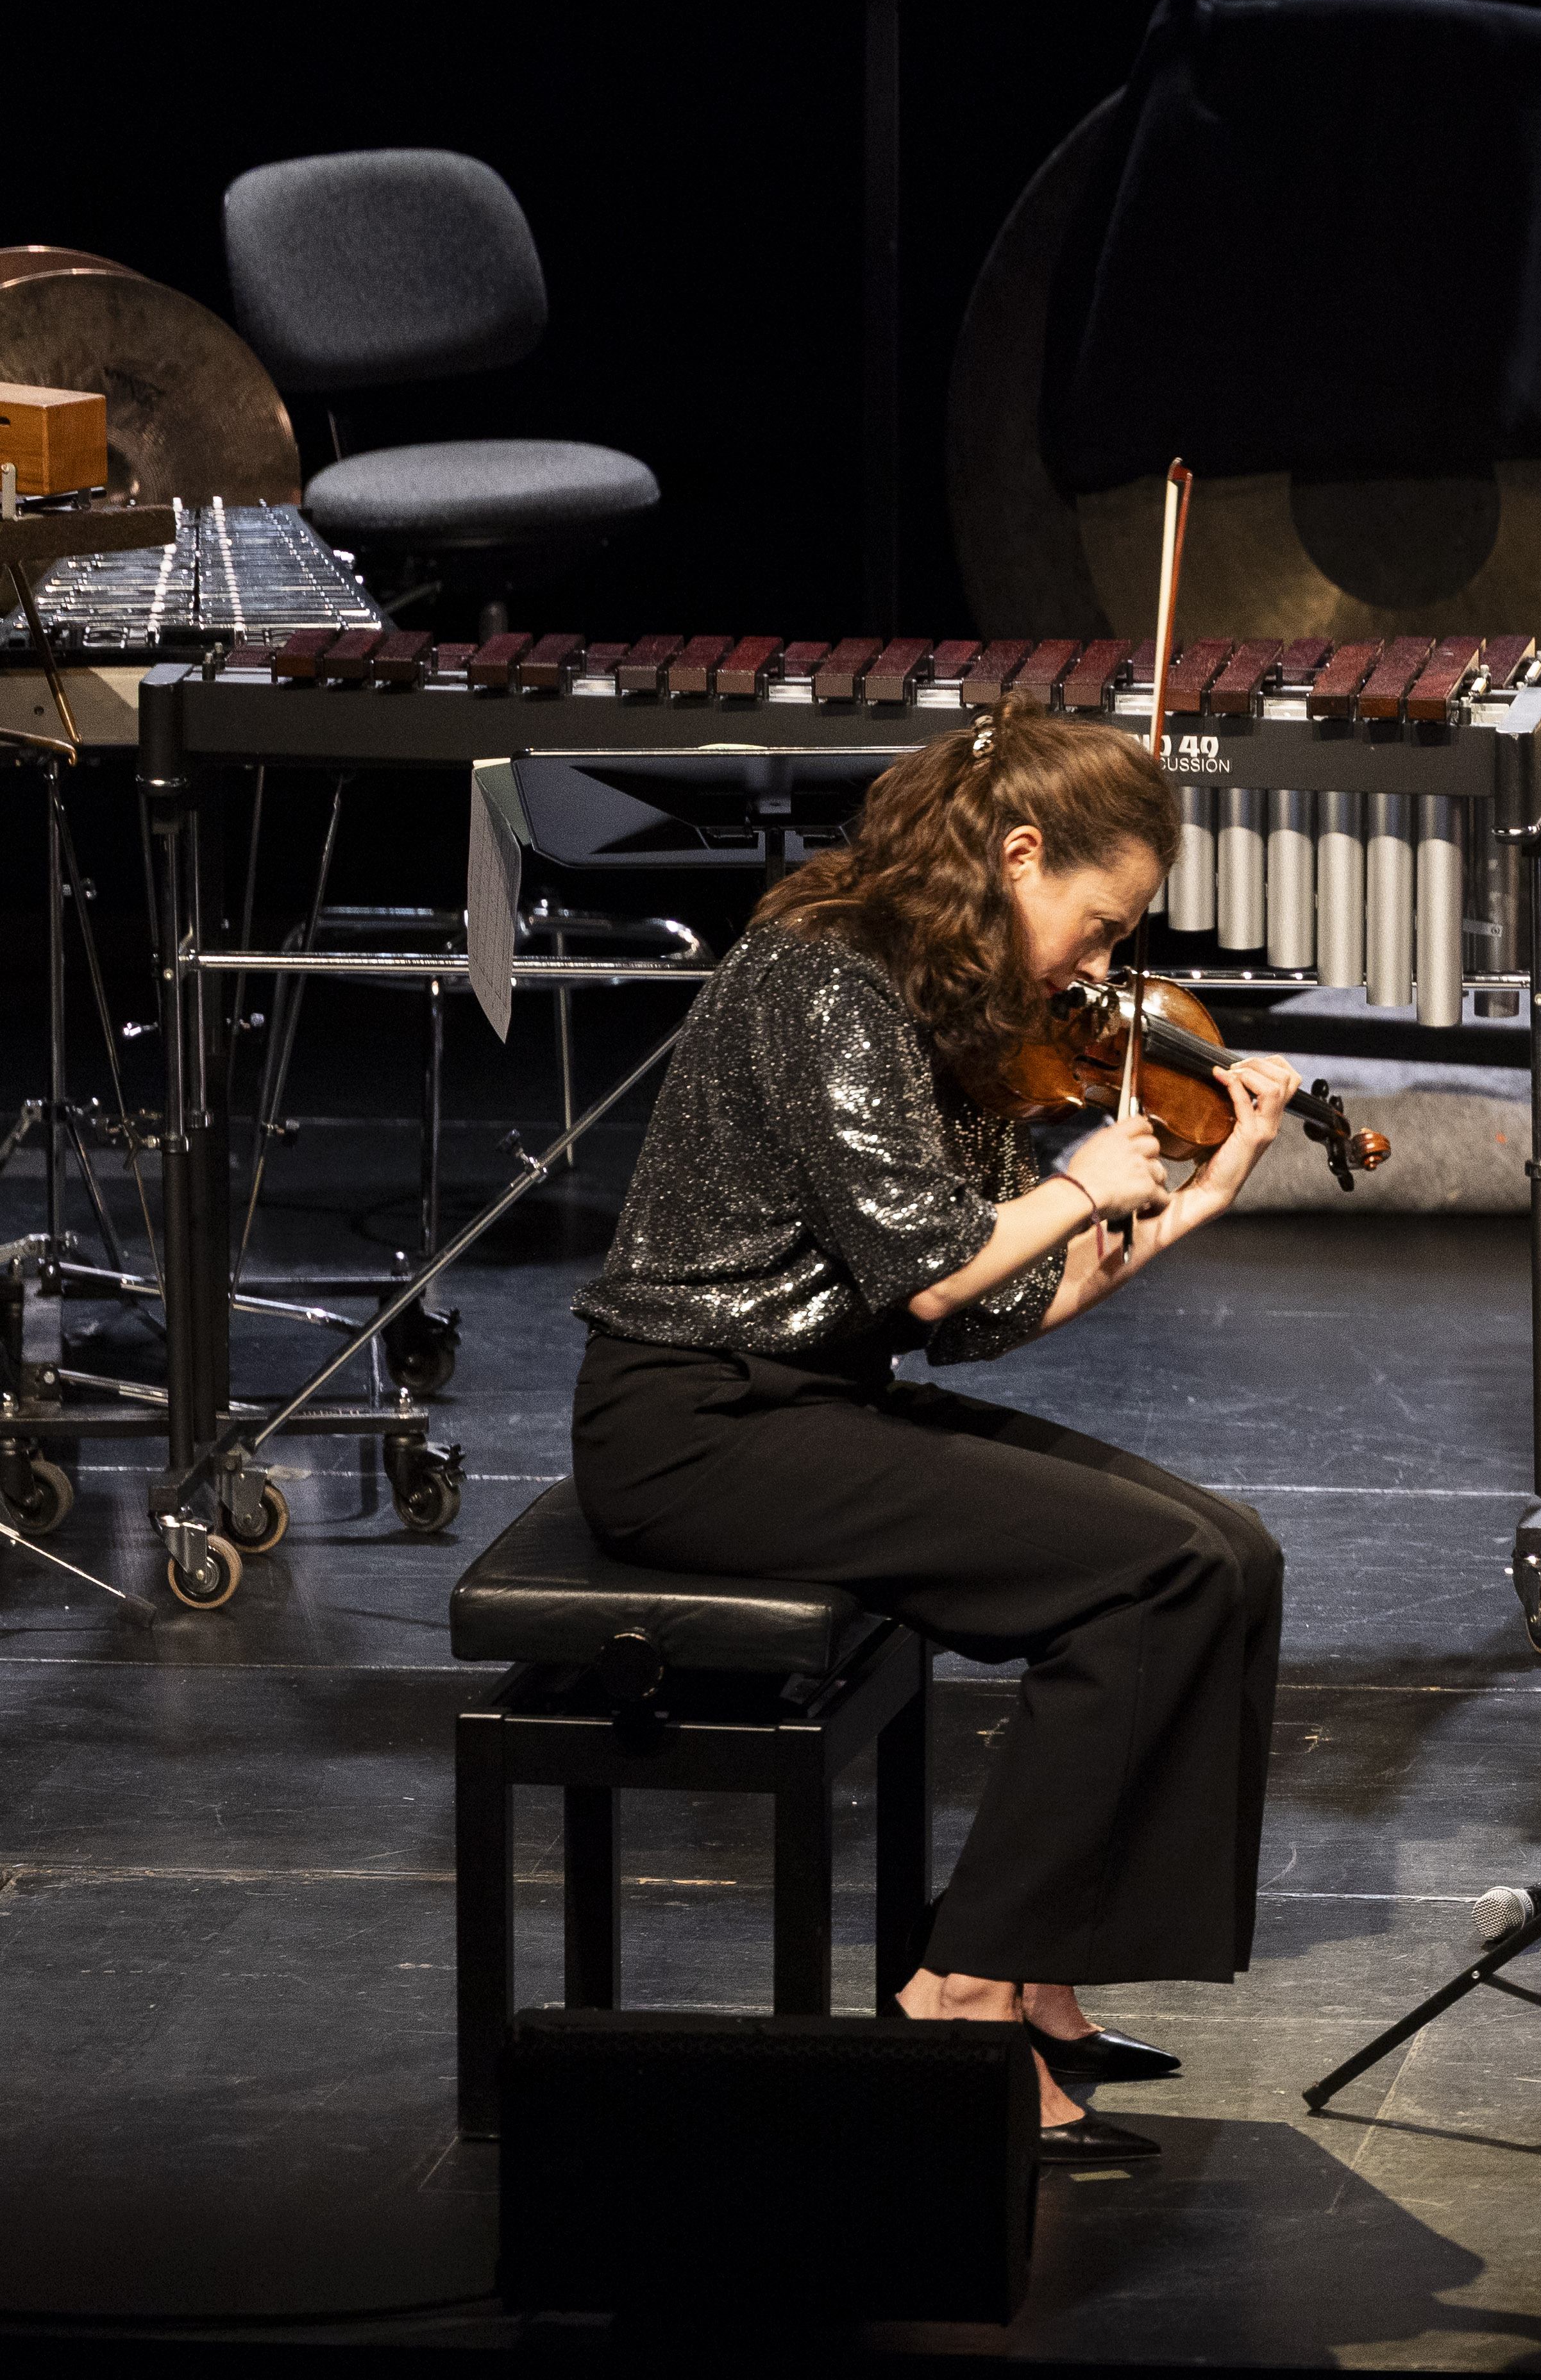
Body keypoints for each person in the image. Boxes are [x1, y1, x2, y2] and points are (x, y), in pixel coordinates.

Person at [569, 704, 1304, 2163]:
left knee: (1227, 1552)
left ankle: (1039, 1970)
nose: (1100, 972)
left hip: (815, 1402)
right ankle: (958, 1986)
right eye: (1097, 927)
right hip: (693, 1425)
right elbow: (931, 1263)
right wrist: (1089, 1181)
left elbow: (981, 1309)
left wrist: (1185, 1208)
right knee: (1146, 1574)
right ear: (1018, 855)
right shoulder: (822, 973)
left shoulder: (945, 1004)